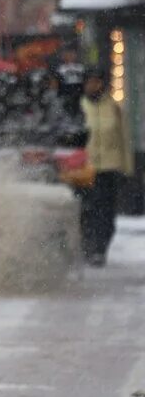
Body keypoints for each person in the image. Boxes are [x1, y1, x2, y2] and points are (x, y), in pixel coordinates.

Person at [79, 68, 134, 266]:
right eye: (89, 82)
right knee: (87, 210)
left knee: (106, 212)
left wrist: (127, 168)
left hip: (109, 167)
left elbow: (124, 139)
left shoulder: (113, 107)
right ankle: (88, 247)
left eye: (96, 82)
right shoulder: (80, 107)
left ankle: (100, 248)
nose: (93, 86)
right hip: (86, 168)